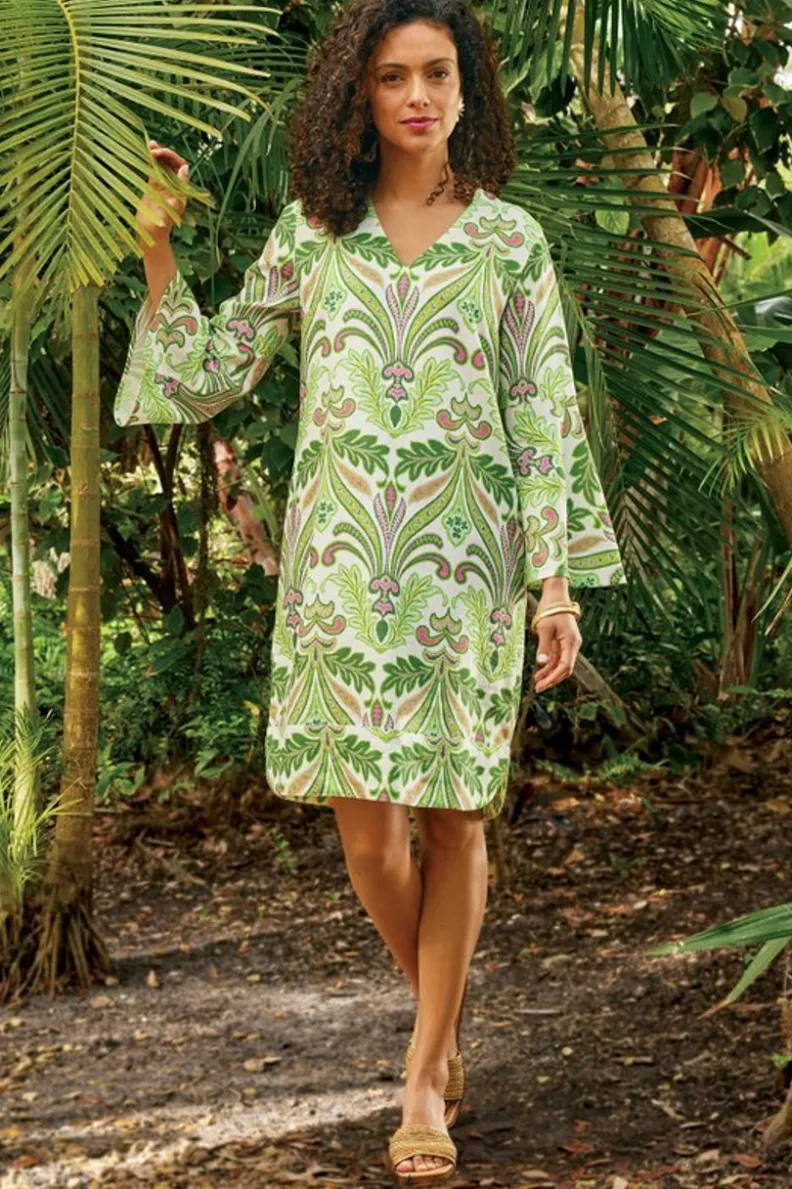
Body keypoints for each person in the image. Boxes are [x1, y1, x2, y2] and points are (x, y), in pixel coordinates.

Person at [115, 0, 626, 1179]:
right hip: (340, 572)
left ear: (467, 87)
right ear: (360, 93)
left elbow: (542, 417)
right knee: (368, 845)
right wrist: (156, 245)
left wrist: (554, 585)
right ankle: (440, 1017)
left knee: (454, 818)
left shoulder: (510, 242)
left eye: (437, 73)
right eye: (393, 76)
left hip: (467, 570)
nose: (418, 97)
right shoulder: (313, 233)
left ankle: (423, 1076)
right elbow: (210, 371)